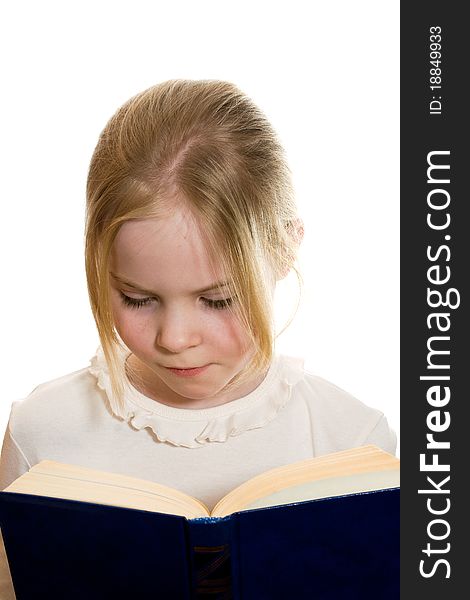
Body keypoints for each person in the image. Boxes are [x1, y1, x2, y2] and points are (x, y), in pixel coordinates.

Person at [0, 80, 396, 598]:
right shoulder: (43, 433)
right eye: (137, 298)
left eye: (219, 299)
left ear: (283, 250)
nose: (175, 338)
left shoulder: (353, 440)